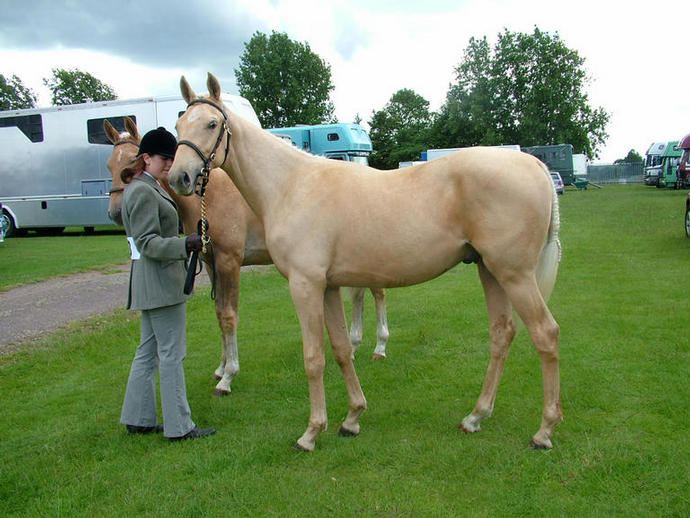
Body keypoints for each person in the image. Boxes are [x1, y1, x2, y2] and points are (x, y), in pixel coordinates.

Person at [119, 126, 215, 441]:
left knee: (148, 351)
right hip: (160, 285)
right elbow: (147, 243)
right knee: (172, 353)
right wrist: (184, 244)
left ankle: (138, 418)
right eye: (164, 158)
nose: (169, 164)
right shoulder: (144, 191)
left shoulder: (143, 187)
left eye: (172, 158)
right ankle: (179, 426)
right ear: (145, 158)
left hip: (150, 284)